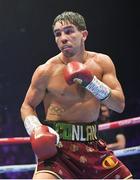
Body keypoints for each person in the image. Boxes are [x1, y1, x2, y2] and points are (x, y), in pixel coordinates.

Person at [20, 11, 132, 179]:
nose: (63, 37)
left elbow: (119, 105)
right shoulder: (46, 71)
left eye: (69, 31)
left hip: (92, 146)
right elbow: (27, 106)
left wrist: (92, 82)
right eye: (57, 34)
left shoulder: (102, 63)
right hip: (58, 150)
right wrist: (35, 128)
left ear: (84, 34)